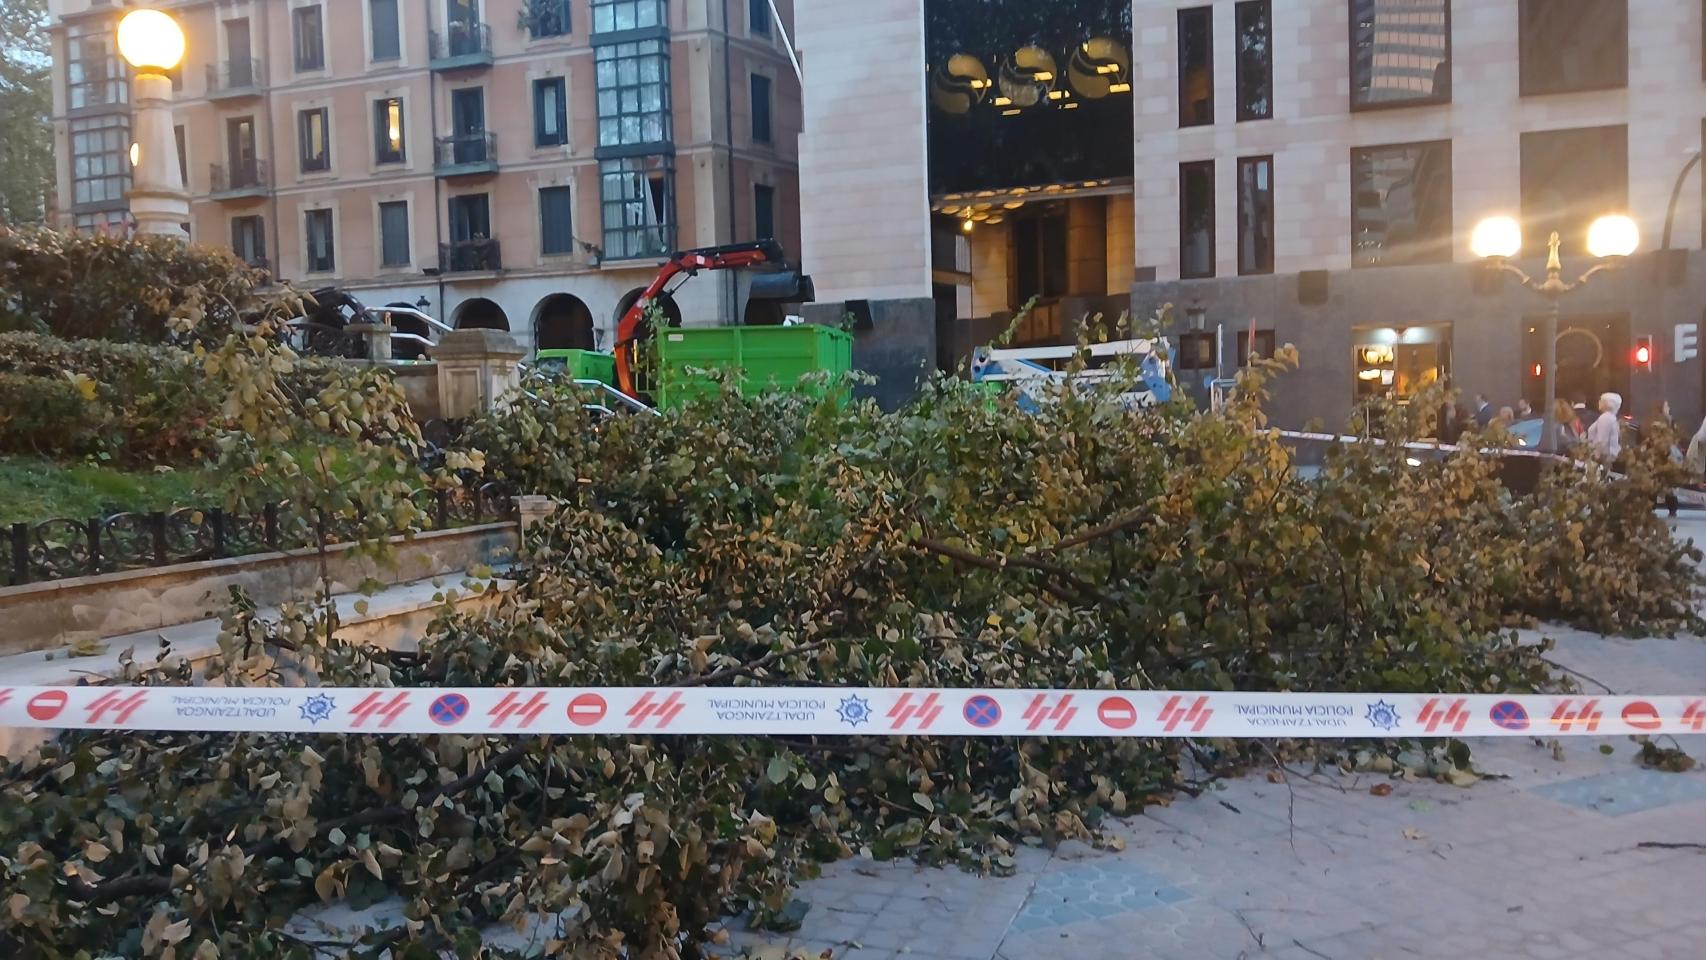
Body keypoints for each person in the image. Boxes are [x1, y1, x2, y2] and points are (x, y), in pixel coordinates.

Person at [1586, 392, 1622, 461]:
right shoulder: (1610, 417)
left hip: (1601, 458)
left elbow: (1602, 441)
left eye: (1601, 400)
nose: (1599, 402)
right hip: (1606, 456)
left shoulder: (1606, 418)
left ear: (1607, 403)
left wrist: (1594, 458)